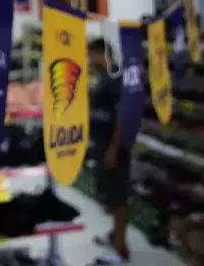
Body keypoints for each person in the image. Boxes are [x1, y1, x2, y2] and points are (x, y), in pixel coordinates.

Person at [87, 38, 130, 265]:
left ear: (99, 54)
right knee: (110, 195)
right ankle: (114, 235)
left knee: (118, 196)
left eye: (90, 55)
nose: (88, 60)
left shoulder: (115, 77)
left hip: (114, 147)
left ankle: (121, 250)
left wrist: (114, 147)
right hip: (102, 144)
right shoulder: (103, 76)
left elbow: (122, 114)